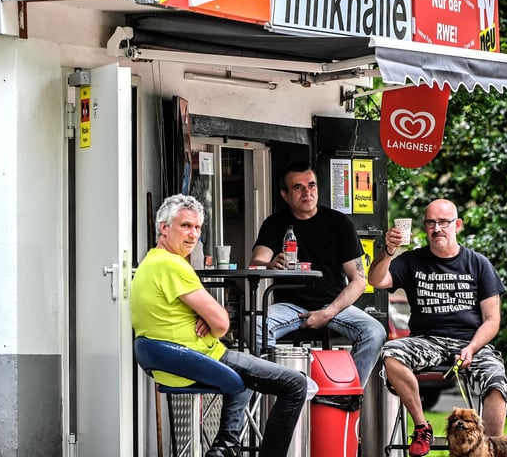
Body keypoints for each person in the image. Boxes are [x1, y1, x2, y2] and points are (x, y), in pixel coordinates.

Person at [131, 194, 308, 457]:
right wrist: (211, 319)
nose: (193, 235)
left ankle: (225, 446)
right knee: (295, 383)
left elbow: (209, 317)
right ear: (164, 228)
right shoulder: (172, 265)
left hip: (170, 361)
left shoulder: (149, 263)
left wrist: (205, 316)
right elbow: (222, 322)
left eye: (198, 228)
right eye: (185, 226)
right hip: (196, 357)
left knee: (249, 369)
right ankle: (230, 446)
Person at [368, 199, 507, 457]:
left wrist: (471, 348)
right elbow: (376, 280)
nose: (437, 229)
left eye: (443, 222)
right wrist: (388, 252)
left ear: (457, 225)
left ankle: (491, 450)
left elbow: (492, 320)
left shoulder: (479, 264)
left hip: (471, 342)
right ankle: (422, 427)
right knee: (391, 353)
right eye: (431, 222)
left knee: (496, 379)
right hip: (427, 340)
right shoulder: (412, 260)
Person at [249, 161, 386, 387]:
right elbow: (256, 261)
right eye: (298, 187)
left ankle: (345, 394)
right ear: (285, 195)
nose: (307, 192)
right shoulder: (275, 223)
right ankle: (282, 387)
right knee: (253, 324)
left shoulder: (339, 223)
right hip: (289, 306)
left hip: (333, 304)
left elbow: (359, 280)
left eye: (311, 185)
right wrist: (271, 263)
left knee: (374, 332)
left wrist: (328, 313)